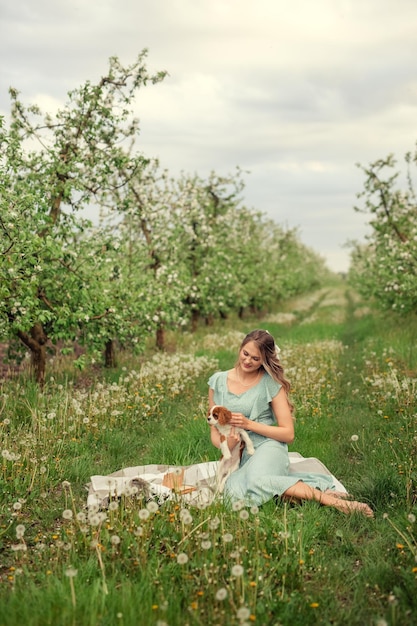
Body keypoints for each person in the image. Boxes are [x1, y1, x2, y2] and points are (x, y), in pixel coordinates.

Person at [208, 329, 374, 516]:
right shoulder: (218, 382)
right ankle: (313, 489)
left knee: (256, 481)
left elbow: (288, 434)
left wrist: (249, 425)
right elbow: (215, 433)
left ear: (264, 360)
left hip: (268, 446)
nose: (247, 361)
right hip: (241, 455)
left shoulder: (270, 383)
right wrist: (230, 443)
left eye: (256, 359)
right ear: (240, 348)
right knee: (233, 491)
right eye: (245, 354)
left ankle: (337, 503)